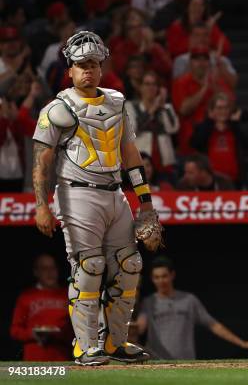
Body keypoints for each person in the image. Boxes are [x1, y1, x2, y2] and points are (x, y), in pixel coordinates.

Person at [32, 31, 162, 366]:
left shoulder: (117, 102)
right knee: (89, 267)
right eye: (81, 65)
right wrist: (42, 205)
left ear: (101, 68)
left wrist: (145, 203)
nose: (87, 70)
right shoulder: (56, 109)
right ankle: (84, 345)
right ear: (70, 70)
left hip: (114, 193)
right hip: (76, 194)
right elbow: (41, 162)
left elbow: (130, 153)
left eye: (93, 64)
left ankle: (116, 342)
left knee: (129, 266)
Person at [136, 256, 248, 360]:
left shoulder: (189, 300)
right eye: (156, 277)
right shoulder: (148, 302)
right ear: (152, 279)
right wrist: (132, 295)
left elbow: (213, 325)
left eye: (164, 276)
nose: (161, 280)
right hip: (157, 362)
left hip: (186, 362)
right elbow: (139, 329)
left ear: (172, 275)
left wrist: (242, 343)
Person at [10, 254, 71, 361]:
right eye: (44, 268)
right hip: (34, 360)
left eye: (53, 268)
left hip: (62, 358)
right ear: (36, 272)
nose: (49, 272)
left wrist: (59, 333)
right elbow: (15, 330)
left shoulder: (69, 295)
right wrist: (32, 334)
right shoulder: (26, 296)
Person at [124, 70, 179, 179]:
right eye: (147, 84)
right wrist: (152, 110)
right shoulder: (131, 106)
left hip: (164, 163)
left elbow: (173, 128)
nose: (151, 88)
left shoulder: (165, 107)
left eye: (154, 84)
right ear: (140, 87)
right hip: (142, 162)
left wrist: (162, 106)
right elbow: (133, 129)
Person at [190, 93, 247, 187]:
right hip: (209, 182)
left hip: (234, 181)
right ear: (212, 110)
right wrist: (209, 122)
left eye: (226, 108)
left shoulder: (236, 128)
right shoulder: (203, 127)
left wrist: (235, 125)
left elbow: (247, 143)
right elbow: (196, 144)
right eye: (219, 108)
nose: (223, 111)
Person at [172, 46, 214, 155]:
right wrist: (204, 88)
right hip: (189, 142)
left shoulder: (215, 81)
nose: (201, 63)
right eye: (197, 59)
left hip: (212, 141)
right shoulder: (181, 83)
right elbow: (184, 109)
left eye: (204, 59)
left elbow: (229, 105)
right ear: (190, 62)